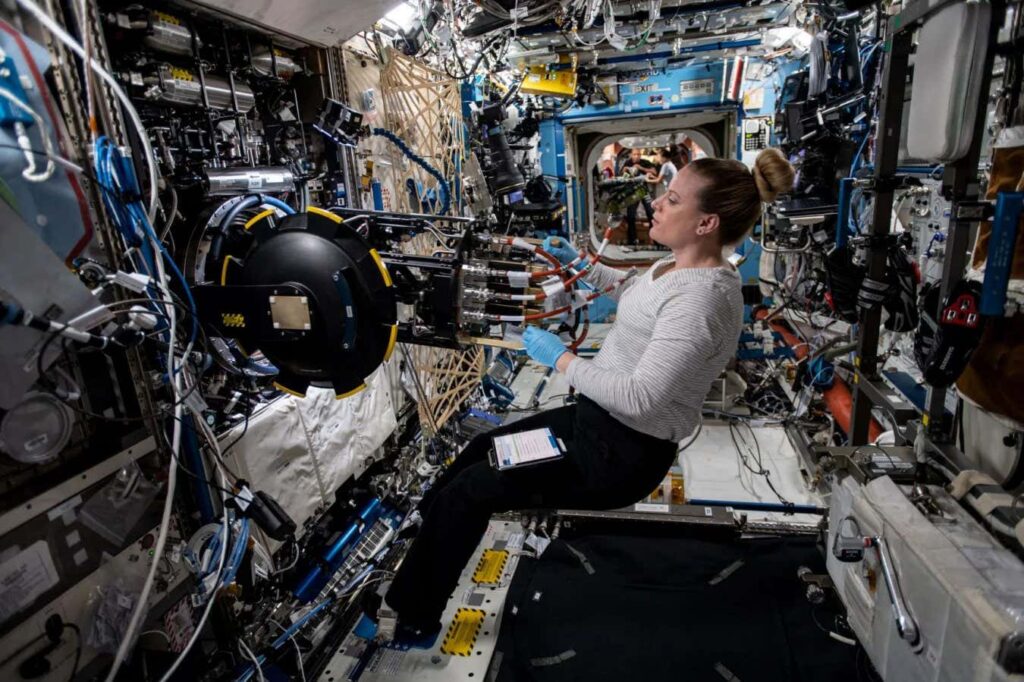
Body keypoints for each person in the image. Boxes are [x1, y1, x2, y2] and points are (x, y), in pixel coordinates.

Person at [370, 149, 795, 641]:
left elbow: (641, 399)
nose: (657, 202)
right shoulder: (678, 267)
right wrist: (582, 266)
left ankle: (411, 616)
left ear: (706, 223)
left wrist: (560, 358)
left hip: (617, 456)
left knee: (472, 491)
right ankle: (427, 544)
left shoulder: (701, 300)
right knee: (475, 454)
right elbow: (634, 291)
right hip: (592, 425)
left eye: (672, 198)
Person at [619, 148, 656, 245]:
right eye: (635, 154)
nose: (637, 156)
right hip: (633, 192)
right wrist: (625, 170)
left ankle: (656, 240)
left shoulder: (645, 162)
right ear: (631, 155)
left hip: (644, 191)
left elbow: (654, 172)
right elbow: (622, 175)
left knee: (651, 213)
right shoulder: (627, 162)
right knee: (631, 216)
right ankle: (632, 240)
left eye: (639, 154)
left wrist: (641, 168)